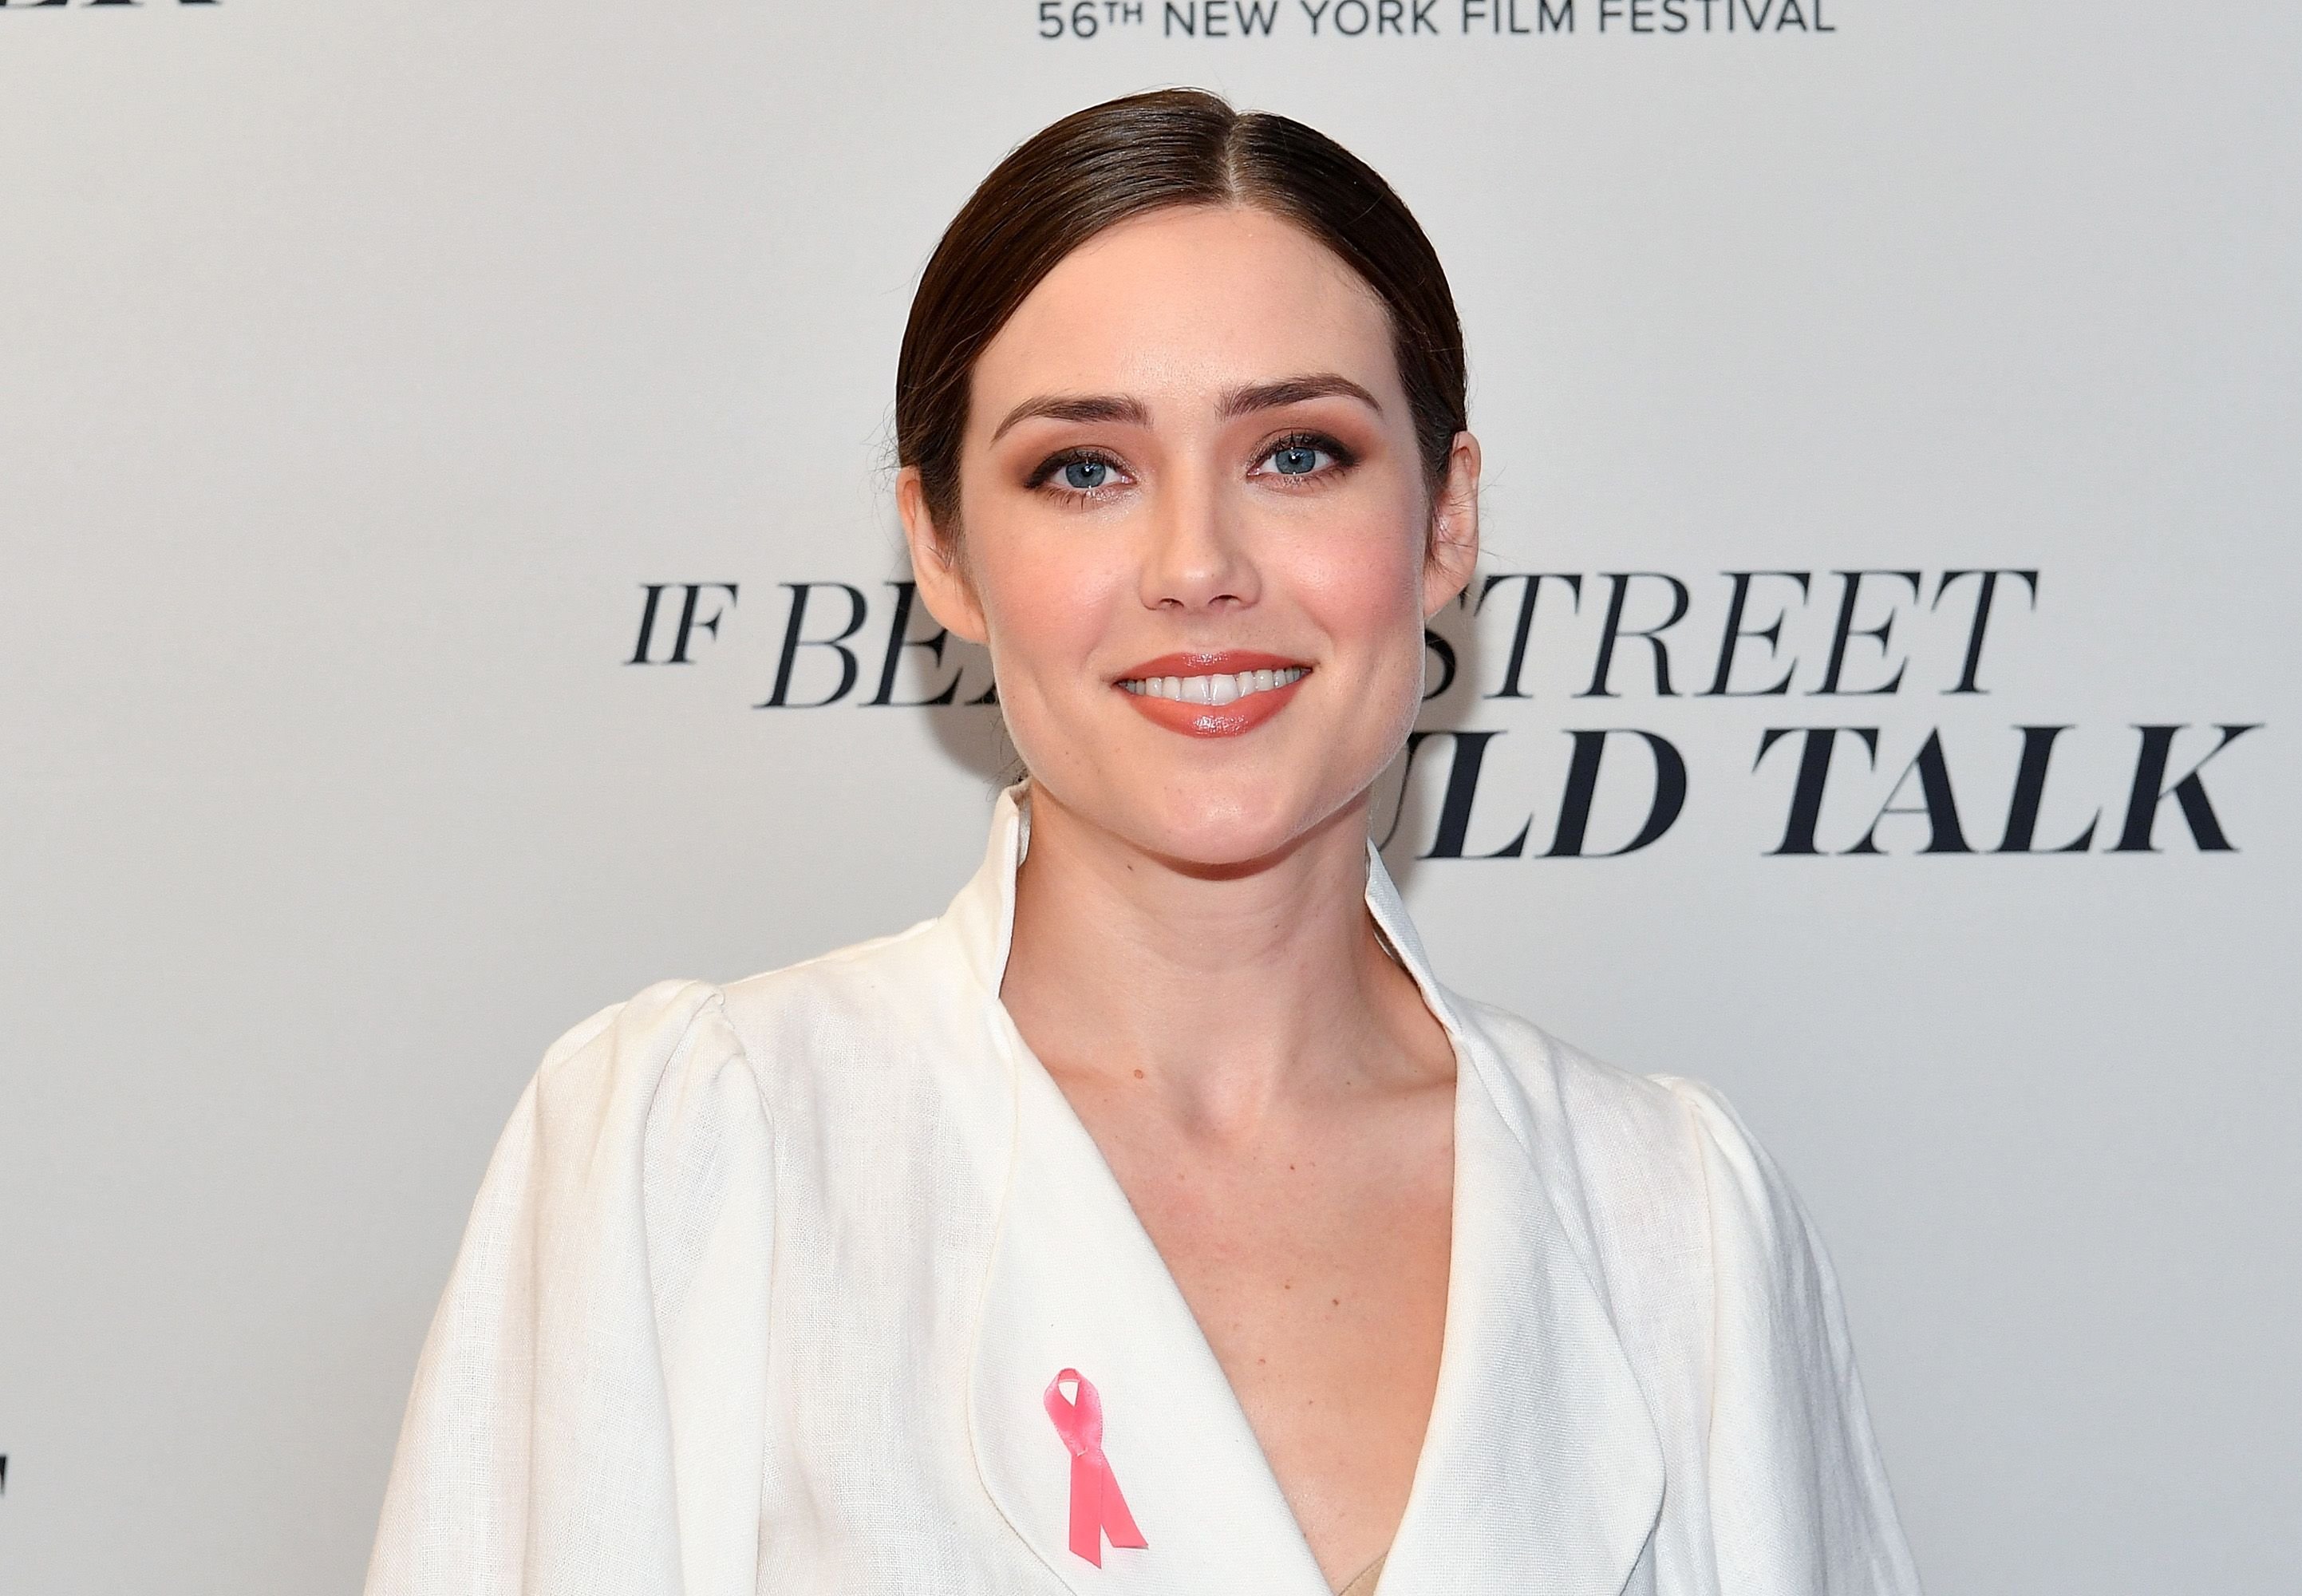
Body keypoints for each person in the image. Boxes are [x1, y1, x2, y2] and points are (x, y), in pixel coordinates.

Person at [364, 89, 1921, 1596]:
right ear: (942, 551)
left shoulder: (1675, 1219)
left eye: (1298, 453)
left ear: (1445, 524)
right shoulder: (719, 1146)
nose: (1197, 565)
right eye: (1084, 469)